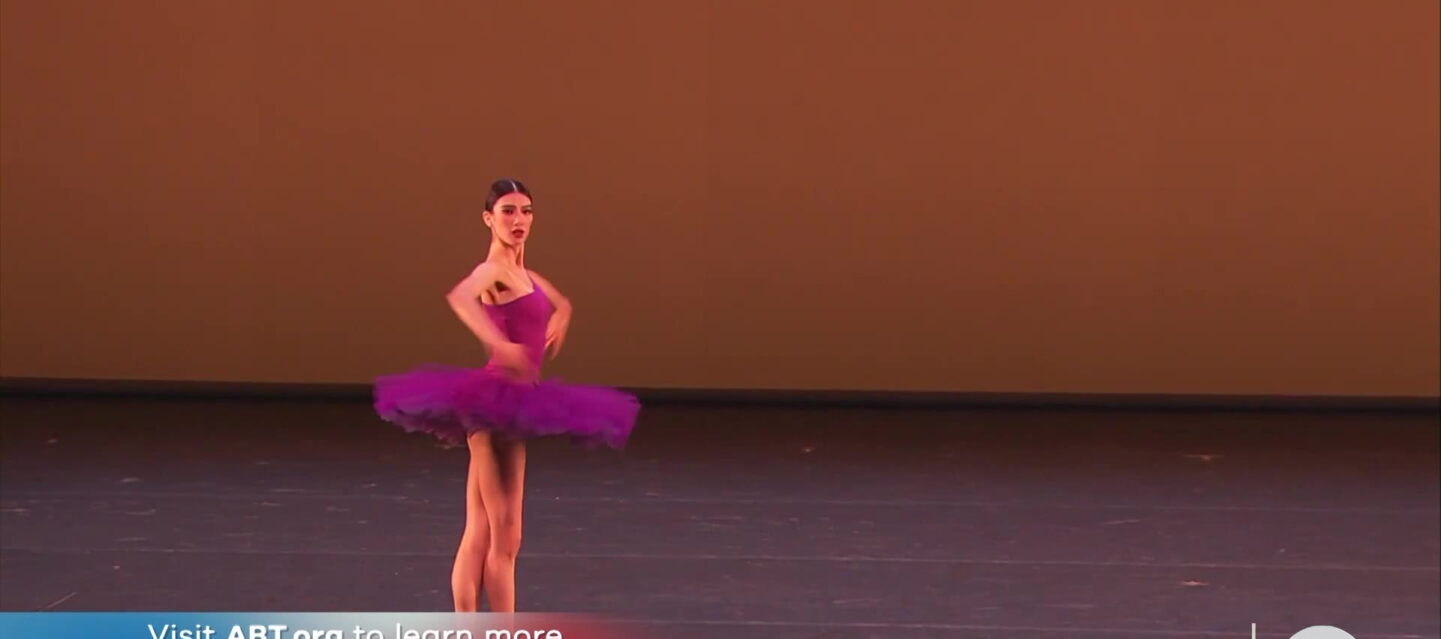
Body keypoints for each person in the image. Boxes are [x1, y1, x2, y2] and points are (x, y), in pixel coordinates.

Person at [373, 178, 640, 612]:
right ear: (488, 219)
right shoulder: (494, 270)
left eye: (526, 211)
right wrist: (498, 343)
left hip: (511, 401)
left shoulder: (524, 274)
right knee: (507, 536)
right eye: (508, 211)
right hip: (498, 405)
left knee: (480, 528)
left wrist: (563, 314)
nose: (519, 220)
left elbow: (559, 300)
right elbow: (461, 297)